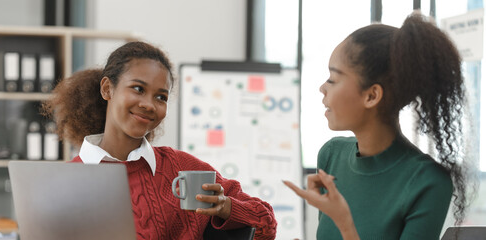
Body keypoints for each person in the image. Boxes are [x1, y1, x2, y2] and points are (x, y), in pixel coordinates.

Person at [41, 41, 277, 239]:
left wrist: (226, 208)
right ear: (107, 89)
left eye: (161, 97)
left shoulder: (182, 170)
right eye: (138, 89)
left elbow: (266, 224)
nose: (149, 105)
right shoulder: (65, 182)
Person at [283, 13, 473, 239]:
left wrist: (345, 223)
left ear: (372, 95)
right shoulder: (331, 155)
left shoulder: (428, 182)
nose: (322, 88)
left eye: (333, 79)